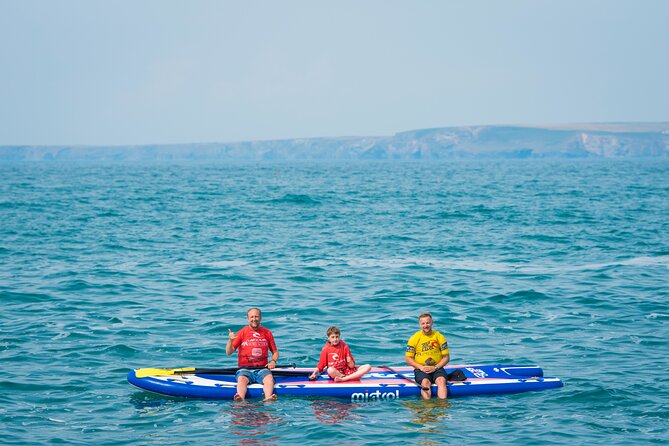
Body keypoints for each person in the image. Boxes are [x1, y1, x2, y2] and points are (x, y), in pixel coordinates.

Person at [226, 307, 279, 401]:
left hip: (262, 369)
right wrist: (230, 340)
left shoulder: (267, 333)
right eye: (252, 317)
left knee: (269, 379)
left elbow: (275, 352)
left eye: (256, 316)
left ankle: (268, 398)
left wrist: (273, 361)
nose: (254, 319)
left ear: (260, 318)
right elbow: (229, 352)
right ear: (248, 319)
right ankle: (241, 398)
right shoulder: (242, 333)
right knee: (242, 379)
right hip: (245, 368)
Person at [405, 312, 450, 399]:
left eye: (428, 323)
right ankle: (427, 407)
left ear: (432, 323)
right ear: (420, 324)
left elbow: (446, 358)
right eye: (423, 323)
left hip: (437, 368)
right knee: (425, 382)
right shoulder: (414, 338)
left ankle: (442, 407)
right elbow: (408, 358)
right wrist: (420, 367)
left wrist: (435, 367)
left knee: (441, 381)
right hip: (421, 369)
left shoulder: (439, 337)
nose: (426, 325)